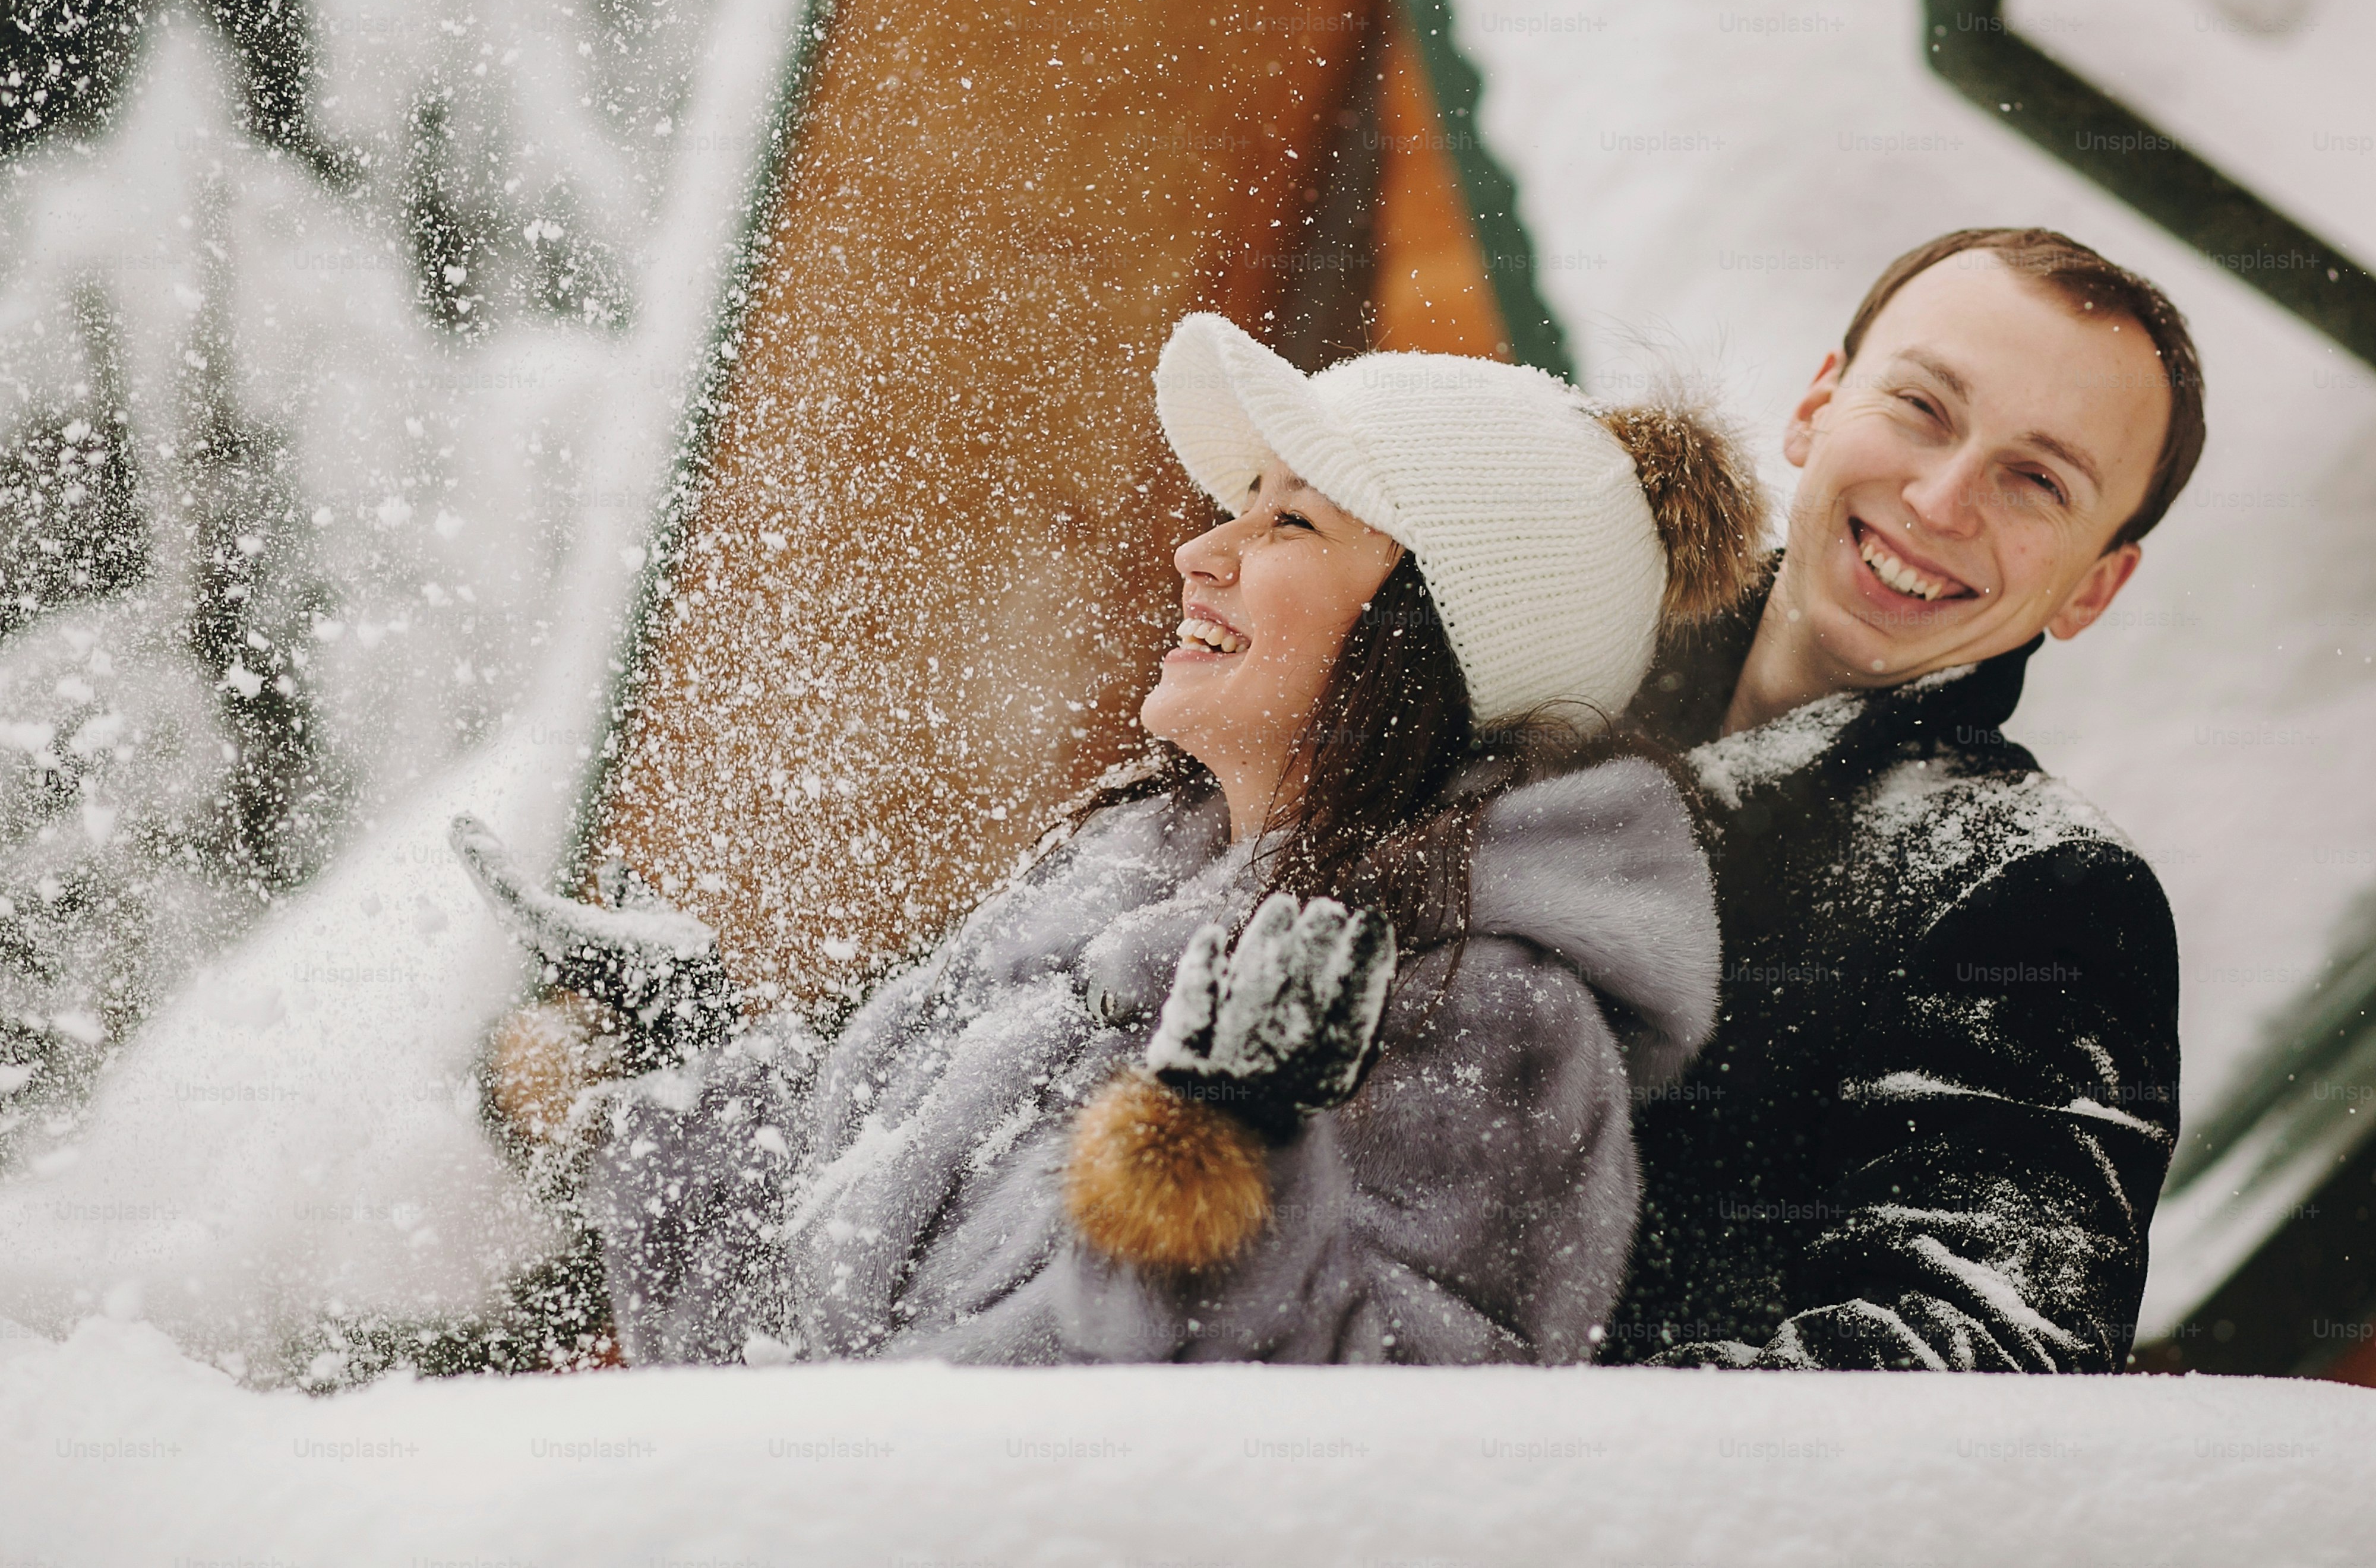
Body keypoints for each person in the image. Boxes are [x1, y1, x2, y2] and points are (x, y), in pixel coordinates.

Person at [450, 311, 1768, 1367]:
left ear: (1433, 638)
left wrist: (1230, 1170)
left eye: (1288, 519)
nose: (1204, 547)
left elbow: (1384, 1481)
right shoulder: (1085, 905)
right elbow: (771, 1344)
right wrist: (687, 1072)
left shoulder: (1476, 1007)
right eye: (1235, 500)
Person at [1609, 227, 2203, 1372]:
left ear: (2094, 587)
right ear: (1816, 406)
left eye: (2037, 479)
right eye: (1922, 407)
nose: (1939, 499)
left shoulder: (2042, 896)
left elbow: (1966, 1372)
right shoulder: (1529, 676)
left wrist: (1488, 1442)